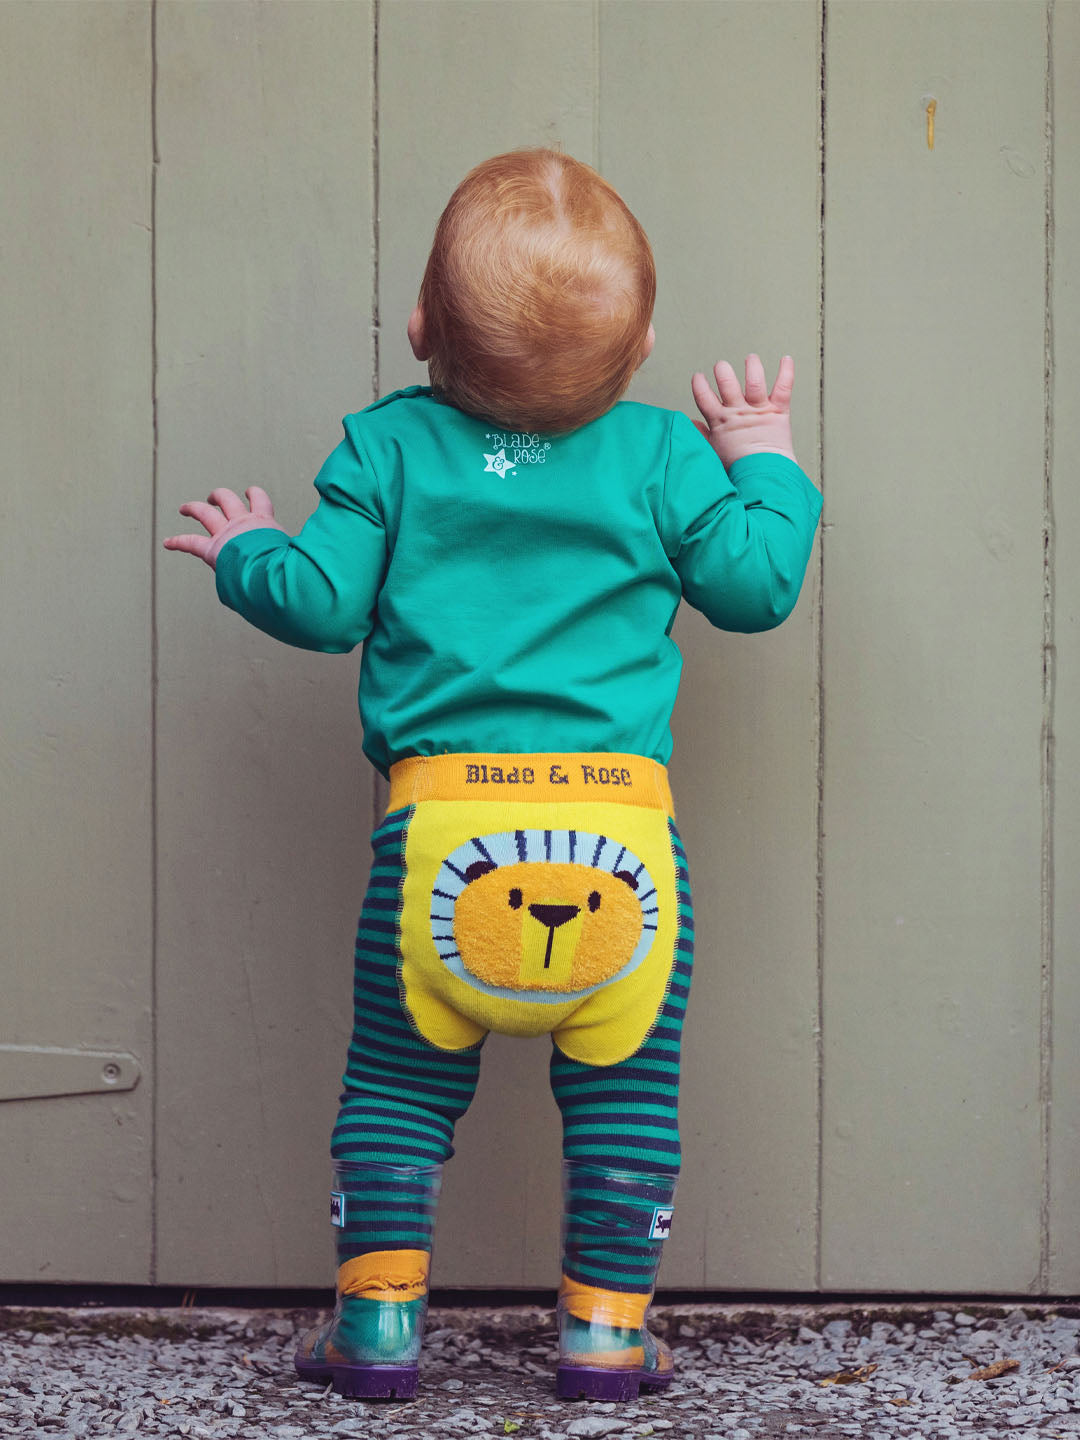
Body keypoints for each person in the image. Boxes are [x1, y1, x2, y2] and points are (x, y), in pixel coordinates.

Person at [165, 148, 822, 1403]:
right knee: (625, 1099)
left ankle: (376, 1330)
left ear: (421, 326)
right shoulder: (666, 456)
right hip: (624, 855)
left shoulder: (388, 448)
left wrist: (248, 548)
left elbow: (318, 605)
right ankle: (605, 1337)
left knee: (400, 1093)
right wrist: (765, 457)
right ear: (637, 358)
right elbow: (755, 588)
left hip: (438, 852)